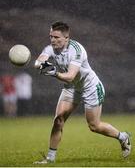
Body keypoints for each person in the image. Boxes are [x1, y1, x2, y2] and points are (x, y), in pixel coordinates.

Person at [34, 21, 131, 164]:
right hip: (71, 87)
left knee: (94, 126)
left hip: (90, 87)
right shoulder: (50, 49)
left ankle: (123, 137)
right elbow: (38, 62)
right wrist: (40, 64)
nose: (53, 40)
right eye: (51, 37)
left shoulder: (77, 50)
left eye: (56, 37)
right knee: (58, 120)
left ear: (66, 38)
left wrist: (54, 72)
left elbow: (70, 76)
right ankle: (50, 158)